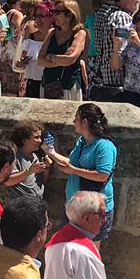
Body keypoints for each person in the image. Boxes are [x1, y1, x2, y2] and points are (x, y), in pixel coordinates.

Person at [50, 103, 118, 242]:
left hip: (93, 209)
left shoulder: (104, 146)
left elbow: (102, 175)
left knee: (90, 249)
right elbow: (72, 164)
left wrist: (73, 171)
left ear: (85, 122)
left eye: (76, 118)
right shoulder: (81, 142)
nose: (73, 121)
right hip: (75, 205)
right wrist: (51, 153)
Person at [38, 0, 88, 100]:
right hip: (48, 85)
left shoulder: (79, 33)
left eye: (57, 12)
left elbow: (70, 59)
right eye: (52, 12)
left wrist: (50, 56)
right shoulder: (51, 32)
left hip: (68, 86)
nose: (54, 16)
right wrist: (61, 60)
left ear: (69, 15)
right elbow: (40, 60)